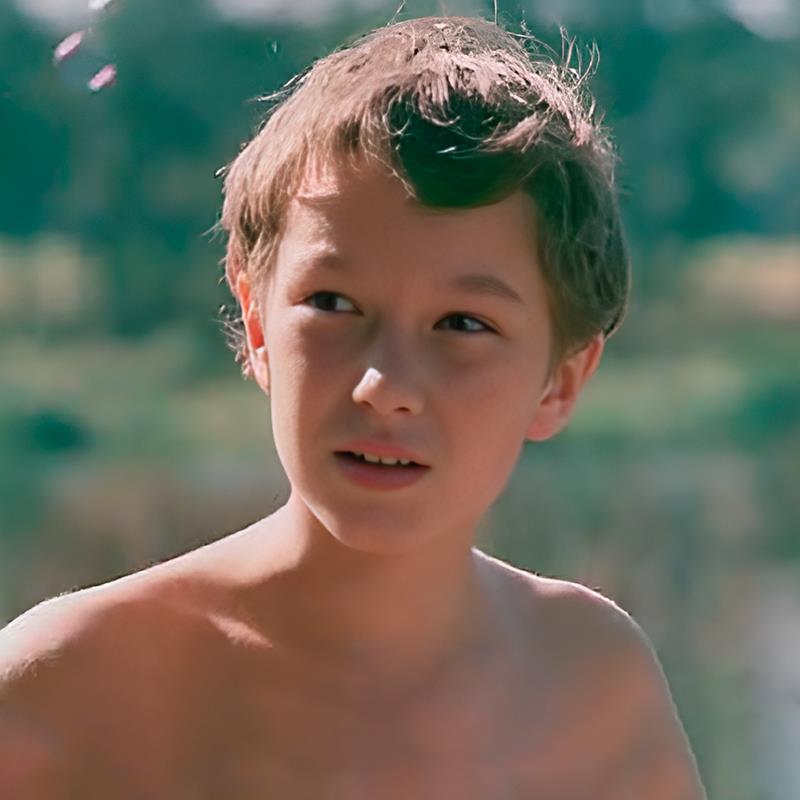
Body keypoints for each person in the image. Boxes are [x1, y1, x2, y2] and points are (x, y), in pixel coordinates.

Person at [0, 15, 707, 798]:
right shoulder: (66, 690)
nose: (384, 385)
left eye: (462, 325)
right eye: (333, 304)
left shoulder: (593, 687)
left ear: (560, 382)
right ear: (258, 323)